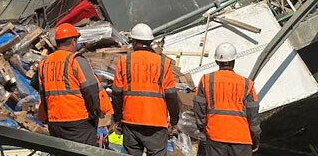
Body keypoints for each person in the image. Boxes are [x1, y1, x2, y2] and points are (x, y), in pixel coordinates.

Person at [112, 23, 180, 156]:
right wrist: (173, 121)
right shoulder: (163, 63)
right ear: (150, 42)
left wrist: (118, 118)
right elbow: (171, 95)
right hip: (156, 123)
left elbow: (116, 94)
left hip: (130, 121)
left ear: (134, 41)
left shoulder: (124, 61)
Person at [31, 23, 102, 146]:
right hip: (78, 121)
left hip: (55, 121)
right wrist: (94, 113)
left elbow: (35, 84)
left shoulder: (44, 63)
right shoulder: (76, 60)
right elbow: (91, 90)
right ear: (74, 41)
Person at [194, 42, 261, 156]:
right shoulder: (246, 84)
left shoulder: (206, 80)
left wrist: (202, 127)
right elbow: (253, 116)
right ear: (234, 61)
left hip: (215, 136)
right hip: (241, 139)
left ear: (217, 61)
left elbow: (199, 107)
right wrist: (255, 138)